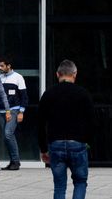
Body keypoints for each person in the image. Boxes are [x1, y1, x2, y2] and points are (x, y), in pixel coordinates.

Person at [38, 60, 96, 199]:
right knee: (80, 182)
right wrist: (88, 142)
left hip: (55, 144)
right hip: (77, 143)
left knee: (59, 186)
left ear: (58, 74)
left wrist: (43, 148)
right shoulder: (83, 94)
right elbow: (92, 122)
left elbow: (40, 123)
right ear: (74, 74)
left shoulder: (49, 94)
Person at [0, 56, 28, 170]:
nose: (0, 67)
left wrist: (21, 112)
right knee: (6, 137)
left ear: (8, 66)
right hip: (1, 111)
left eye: (2, 65)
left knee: (8, 134)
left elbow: (24, 96)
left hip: (14, 110)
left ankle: (16, 161)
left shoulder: (18, 77)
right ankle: (12, 161)